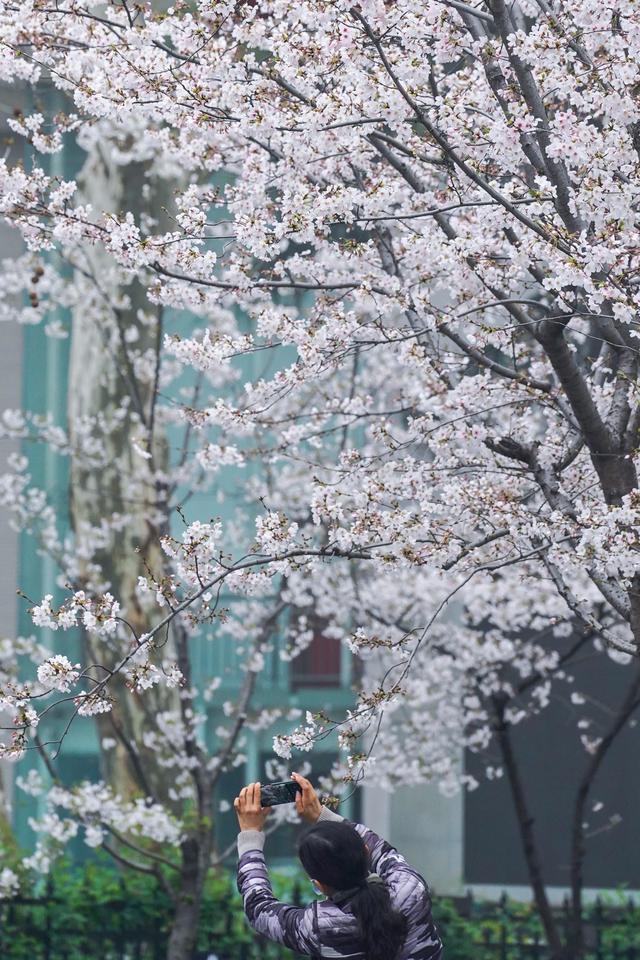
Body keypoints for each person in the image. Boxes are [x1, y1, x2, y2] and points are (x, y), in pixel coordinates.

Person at [234, 772, 443, 960]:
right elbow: (383, 851)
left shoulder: (318, 928)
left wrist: (250, 833)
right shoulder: (410, 889)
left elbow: (259, 908)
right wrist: (321, 815)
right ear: (366, 853)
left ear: (319, 885)